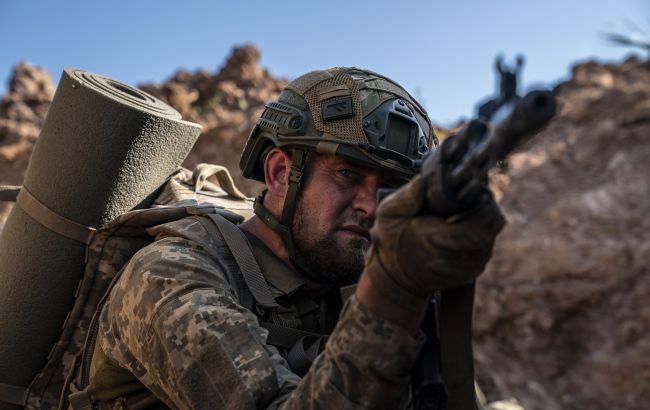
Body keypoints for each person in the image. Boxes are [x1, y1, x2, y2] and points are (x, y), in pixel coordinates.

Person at [82, 67, 505, 409]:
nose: (370, 206)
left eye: (390, 187)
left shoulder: (345, 278)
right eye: (347, 174)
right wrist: (394, 290)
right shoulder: (172, 274)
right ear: (281, 173)